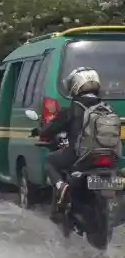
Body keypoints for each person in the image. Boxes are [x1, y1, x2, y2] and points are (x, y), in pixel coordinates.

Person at [34, 67, 104, 213]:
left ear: (75, 85)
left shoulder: (72, 109)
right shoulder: (106, 108)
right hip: (107, 154)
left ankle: (61, 186)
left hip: (79, 155)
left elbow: (50, 130)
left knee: (50, 160)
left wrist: (41, 132)